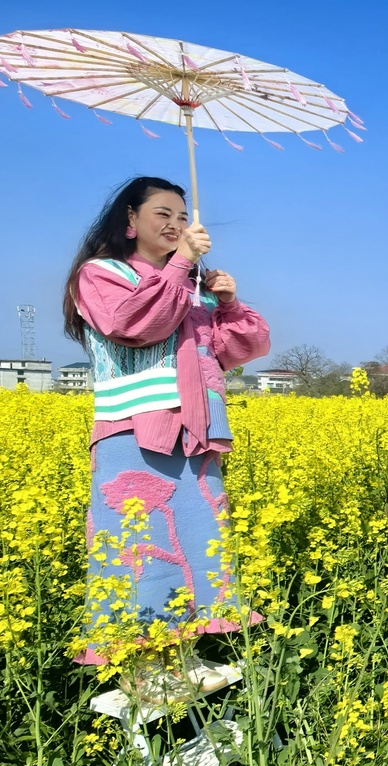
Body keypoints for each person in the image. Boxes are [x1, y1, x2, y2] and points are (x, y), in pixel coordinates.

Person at [66, 176, 271, 673]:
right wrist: (181, 265)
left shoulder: (193, 289)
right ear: (130, 221)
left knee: (194, 547)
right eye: (163, 214)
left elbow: (239, 350)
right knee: (139, 550)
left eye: (183, 217)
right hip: (133, 434)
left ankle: (178, 660)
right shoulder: (101, 274)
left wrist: (227, 304)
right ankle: (144, 672)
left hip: (194, 436)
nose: (176, 225)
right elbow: (133, 325)